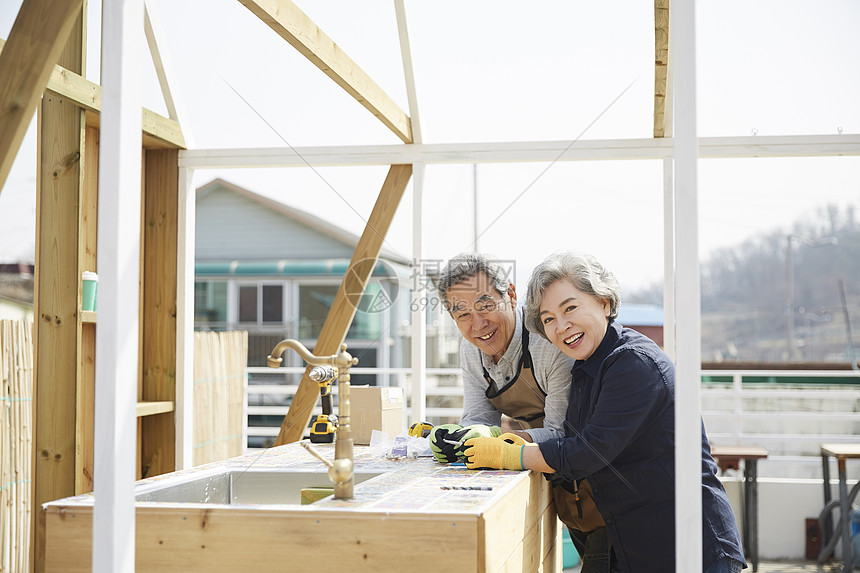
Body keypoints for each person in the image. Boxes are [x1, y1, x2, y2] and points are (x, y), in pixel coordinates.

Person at [462, 252, 746, 573]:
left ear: (604, 302)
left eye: (570, 308)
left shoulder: (632, 362)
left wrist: (512, 454)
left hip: (688, 544)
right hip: (633, 539)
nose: (561, 326)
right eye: (548, 319)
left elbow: (590, 451)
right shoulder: (586, 367)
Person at [429, 253, 609, 572]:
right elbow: (477, 419)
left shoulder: (549, 341)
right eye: (463, 314)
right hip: (555, 478)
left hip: (599, 476)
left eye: (486, 305)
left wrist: (501, 441)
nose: (478, 324)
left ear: (511, 295)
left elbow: (560, 431)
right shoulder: (471, 349)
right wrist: (462, 438)